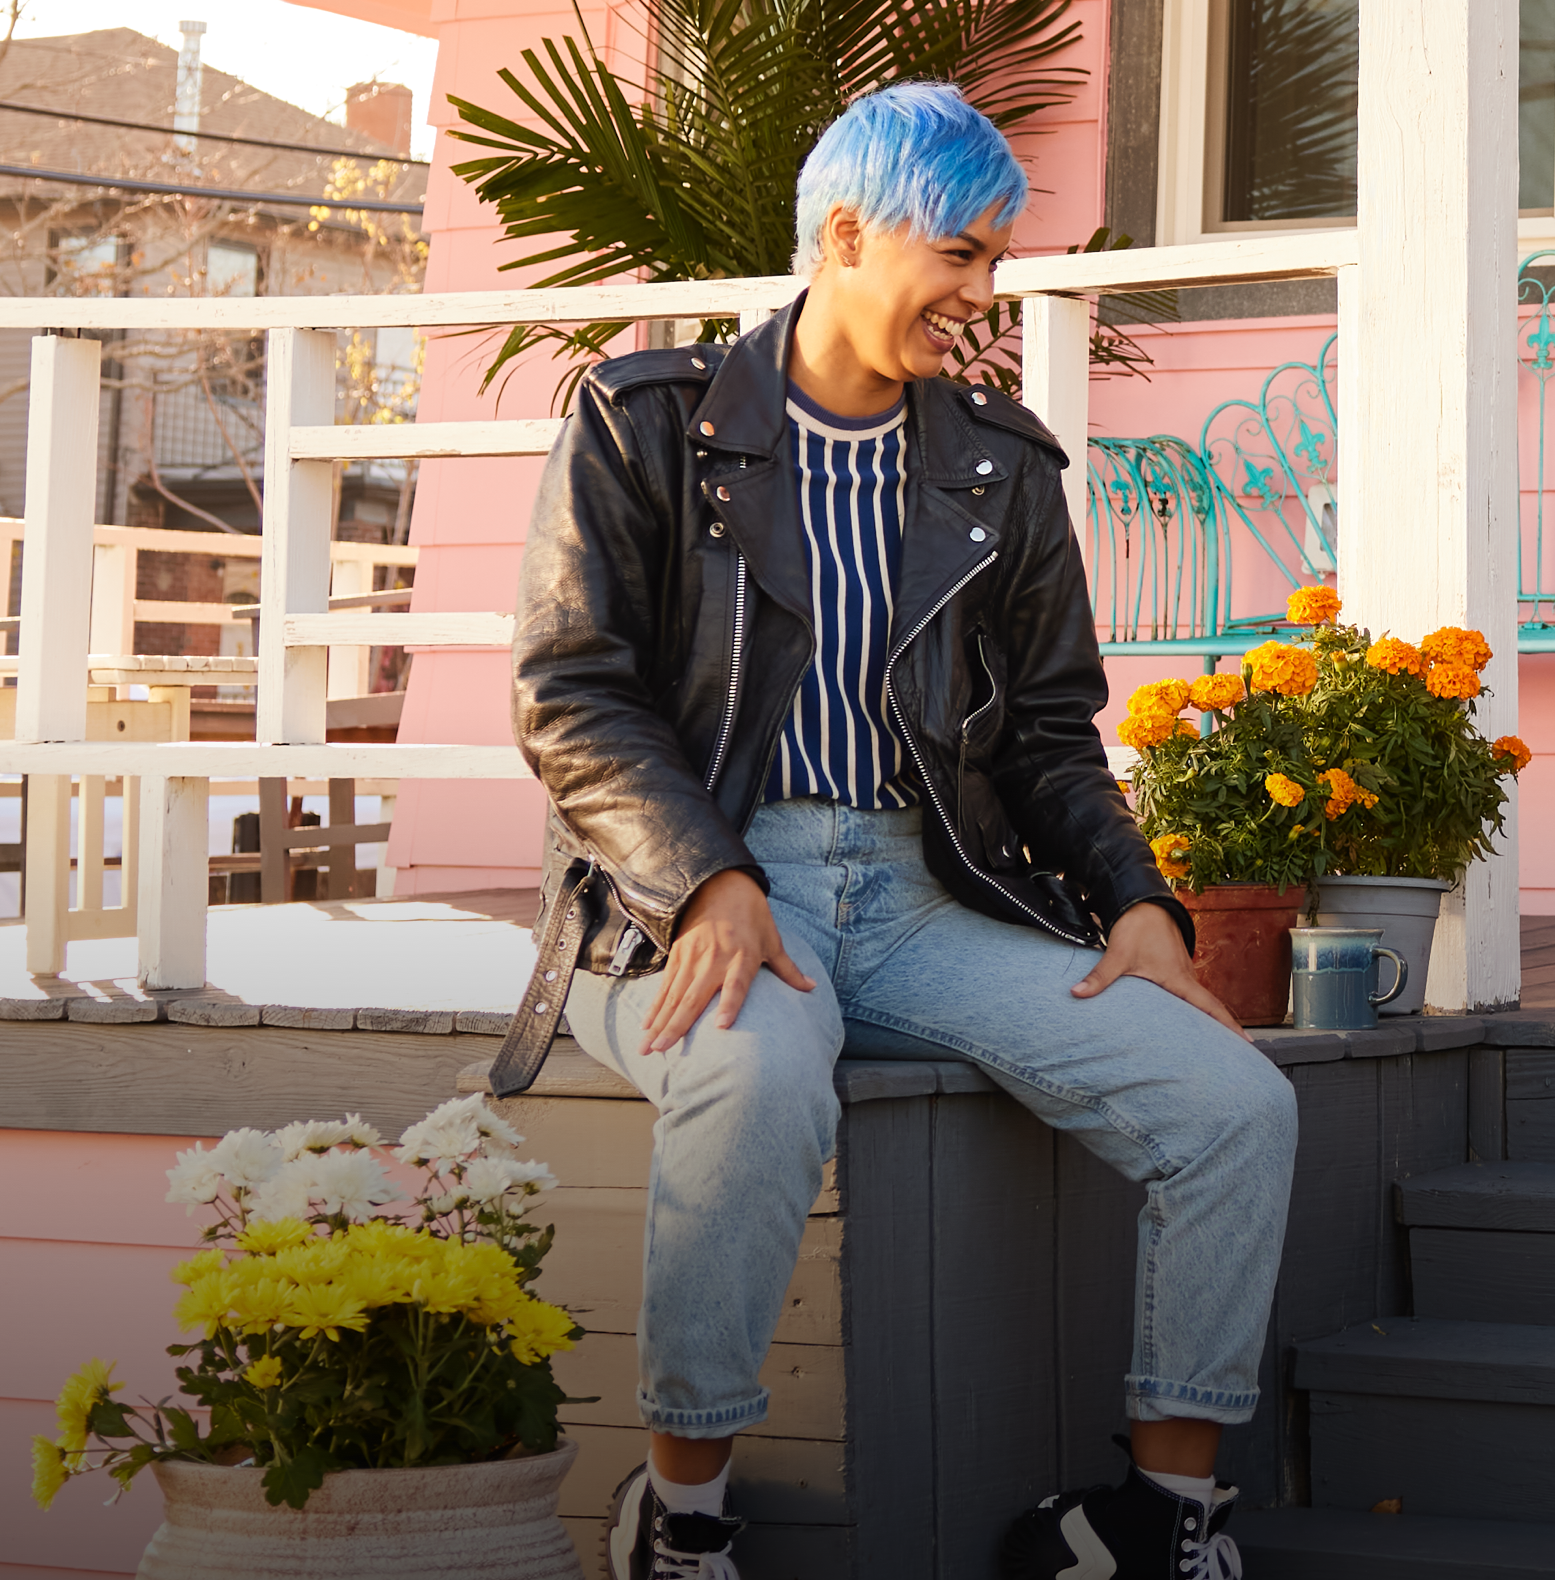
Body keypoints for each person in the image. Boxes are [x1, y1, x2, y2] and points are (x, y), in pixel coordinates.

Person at [495, 82, 1295, 1580]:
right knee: (751, 1072)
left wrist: (1137, 902)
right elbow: (571, 692)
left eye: (997, 262)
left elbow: (1053, 731)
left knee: (1237, 1107)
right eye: (964, 258)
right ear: (847, 235)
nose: (984, 298)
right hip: (687, 891)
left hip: (928, 901)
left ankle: (1165, 1519)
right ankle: (682, 1516)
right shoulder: (648, 422)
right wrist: (710, 877)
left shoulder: (1000, 467)